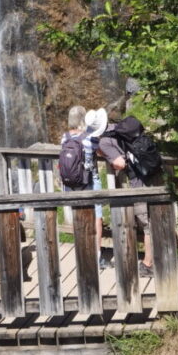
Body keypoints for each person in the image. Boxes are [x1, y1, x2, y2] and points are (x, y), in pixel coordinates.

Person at [98, 115, 161, 278]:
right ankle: (154, 259)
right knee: (151, 219)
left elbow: (120, 163)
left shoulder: (104, 141)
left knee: (146, 222)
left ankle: (149, 264)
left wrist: (110, 160)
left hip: (138, 179)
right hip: (151, 173)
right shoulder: (117, 128)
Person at [60, 106, 108, 269]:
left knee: (79, 215)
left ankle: (82, 251)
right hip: (89, 181)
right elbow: (101, 152)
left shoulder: (64, 138)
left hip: (71, 184)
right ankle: (97, 254)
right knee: (97, 216)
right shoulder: (90, 138)